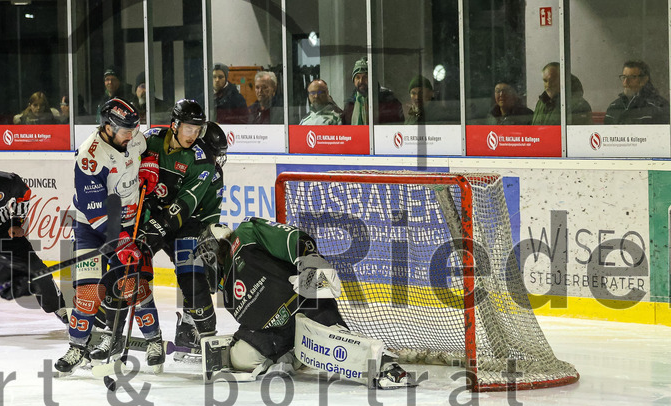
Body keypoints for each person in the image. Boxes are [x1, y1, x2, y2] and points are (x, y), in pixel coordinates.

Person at [195, 218, 409, 388]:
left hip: (304, 306)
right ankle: (296, 356)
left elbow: (292, 238)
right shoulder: (228, 296)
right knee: (240, 357)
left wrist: (312, 263)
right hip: (276, 333)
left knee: (334, 340)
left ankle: (384, 364)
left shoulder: (246, 234)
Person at [54, 98, 163, 375]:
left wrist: (150, 164)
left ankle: (154, 341)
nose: (132, 134)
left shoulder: (134, 137)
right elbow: (97, 213)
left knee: (132, 286)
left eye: (134, 129)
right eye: (126, 130)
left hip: (129, 222)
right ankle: (77, 348)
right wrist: (121, 241)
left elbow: (149, 146)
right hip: (92, 229)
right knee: (88, 293)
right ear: (108, 127)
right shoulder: (90, 157)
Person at [137, 101, 219, 355]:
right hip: (151, 215)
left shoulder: (202, 160)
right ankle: (113, 328)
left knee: (192, 278)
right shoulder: (149, 140)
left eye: (198, 130)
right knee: (131, 268)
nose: (193, 135)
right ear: (174, 125)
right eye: (188, 128)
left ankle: (205, 337)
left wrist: (159, 226)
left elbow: (185, 204)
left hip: (186, 223)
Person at [0, 146, 67, 322]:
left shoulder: (7, 181)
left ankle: (58, 307)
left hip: (2, 232)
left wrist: (17, 222)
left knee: (36, 267)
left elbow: (24, 194)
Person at [604, 59, 669, 125]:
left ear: (644, 80)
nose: (625, 82)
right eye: (624, 77)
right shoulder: (614, 107)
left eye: (632, 77)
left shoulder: (658, 106)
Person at [343, 57, 404, 125]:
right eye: (357, 77)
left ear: (372, 79)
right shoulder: (350, 106)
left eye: (365, 77)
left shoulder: (388, 101)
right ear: (354, 81)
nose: (361, 81)